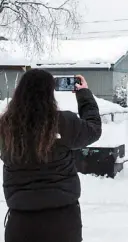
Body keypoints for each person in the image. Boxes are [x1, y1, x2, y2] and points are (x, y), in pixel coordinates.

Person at [0, 69, 102, 242]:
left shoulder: (5, 128)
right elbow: (94, 129)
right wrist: (84, 94)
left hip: (20, 223)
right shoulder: (64, 123)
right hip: (63, 222)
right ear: (50, 93)